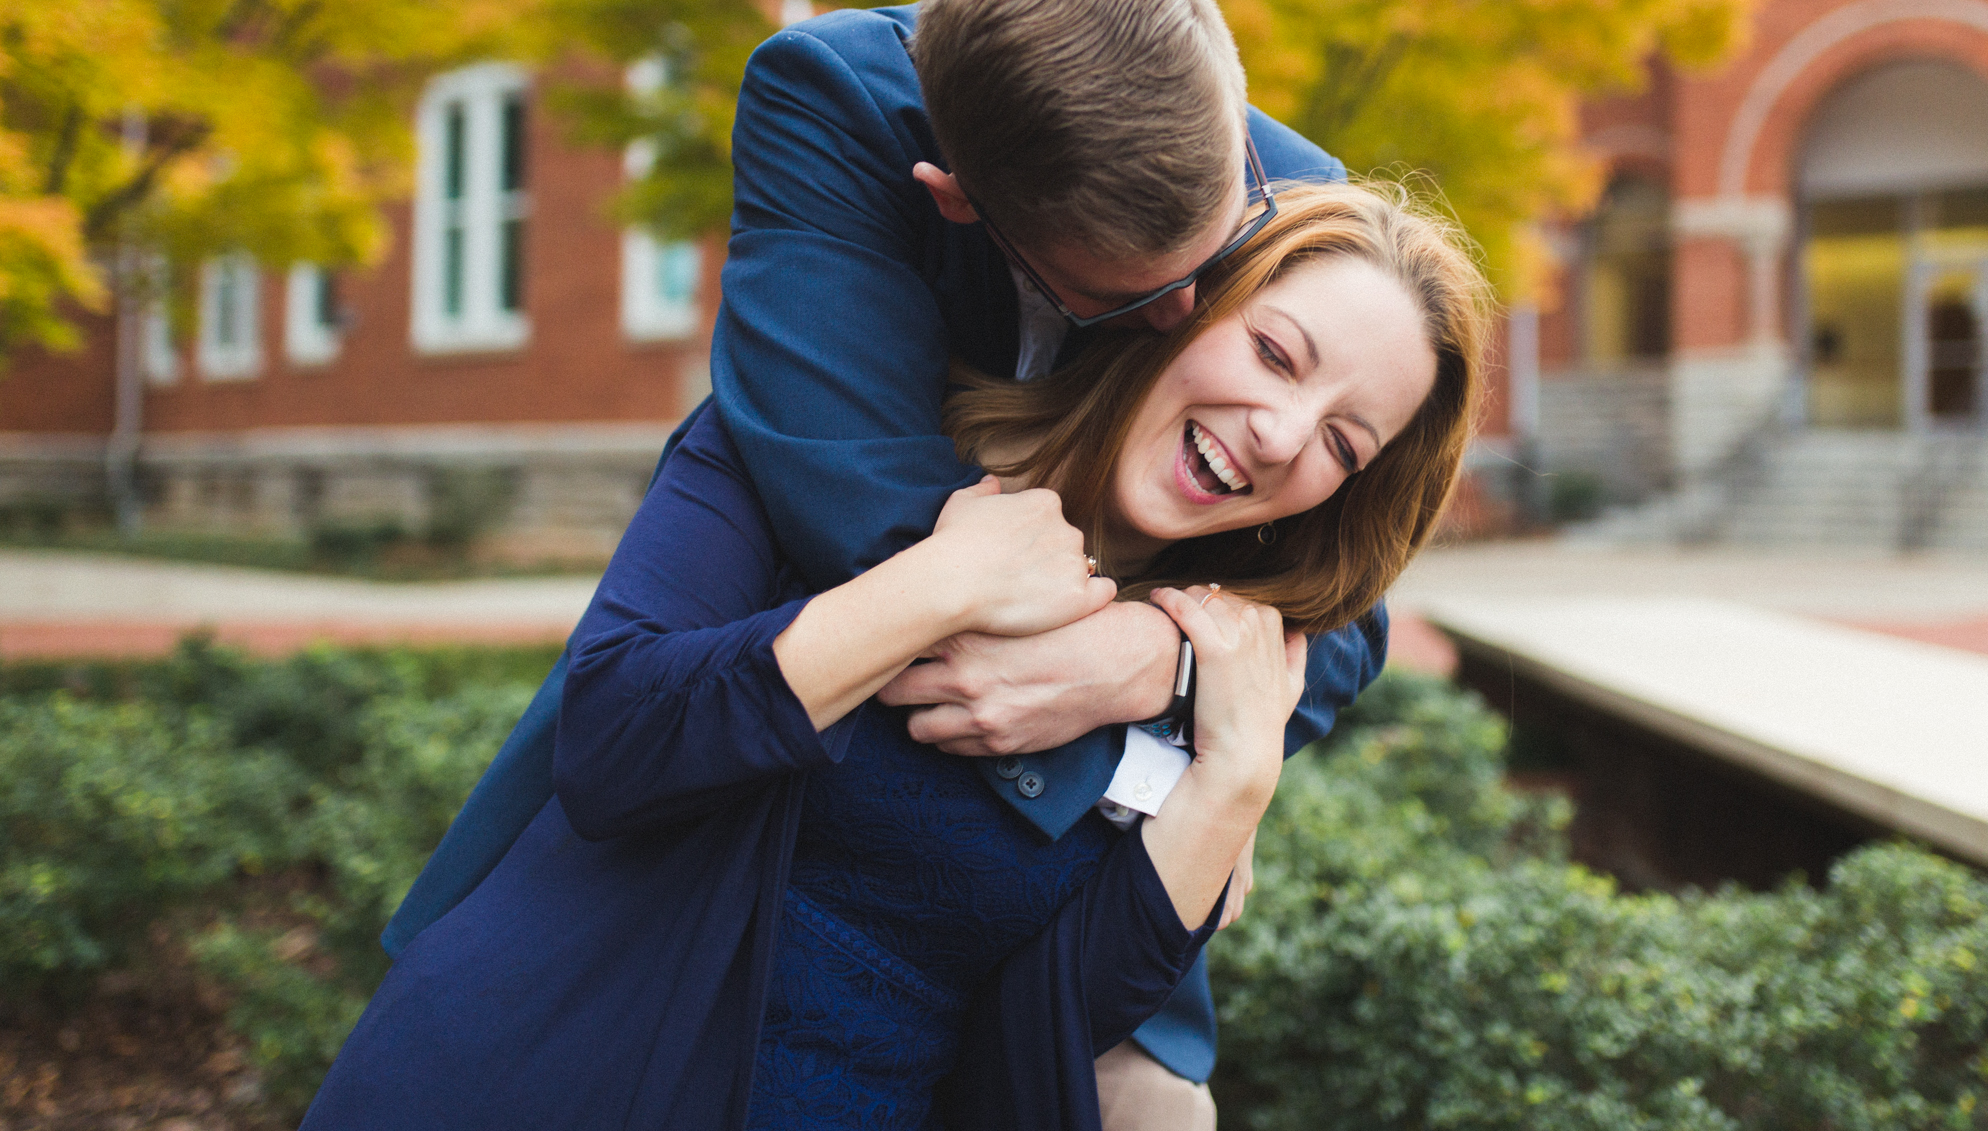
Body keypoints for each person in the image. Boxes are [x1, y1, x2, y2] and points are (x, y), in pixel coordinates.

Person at [380, 0, 1388, 1120]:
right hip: (780, 777)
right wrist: (1133, 718)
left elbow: (1343, 601)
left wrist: (1161, 673)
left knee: (1144, 1101)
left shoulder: (1300, 215)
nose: (1190, 316)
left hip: (1039, 906)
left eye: (1213, 266)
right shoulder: (835, 103)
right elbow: (848, 489)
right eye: (1133, 294)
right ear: (954, 201)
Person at [300, 182, 1490, 1131]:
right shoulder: (825, 442)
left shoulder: (1214, 661)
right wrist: (940, 585)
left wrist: (1231, 782)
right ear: (1178, 303)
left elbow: (1048, 1028)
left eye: (1343, 440)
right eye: (1276, 355)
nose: (1282, 436)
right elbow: (614, 743)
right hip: (554, 1073)